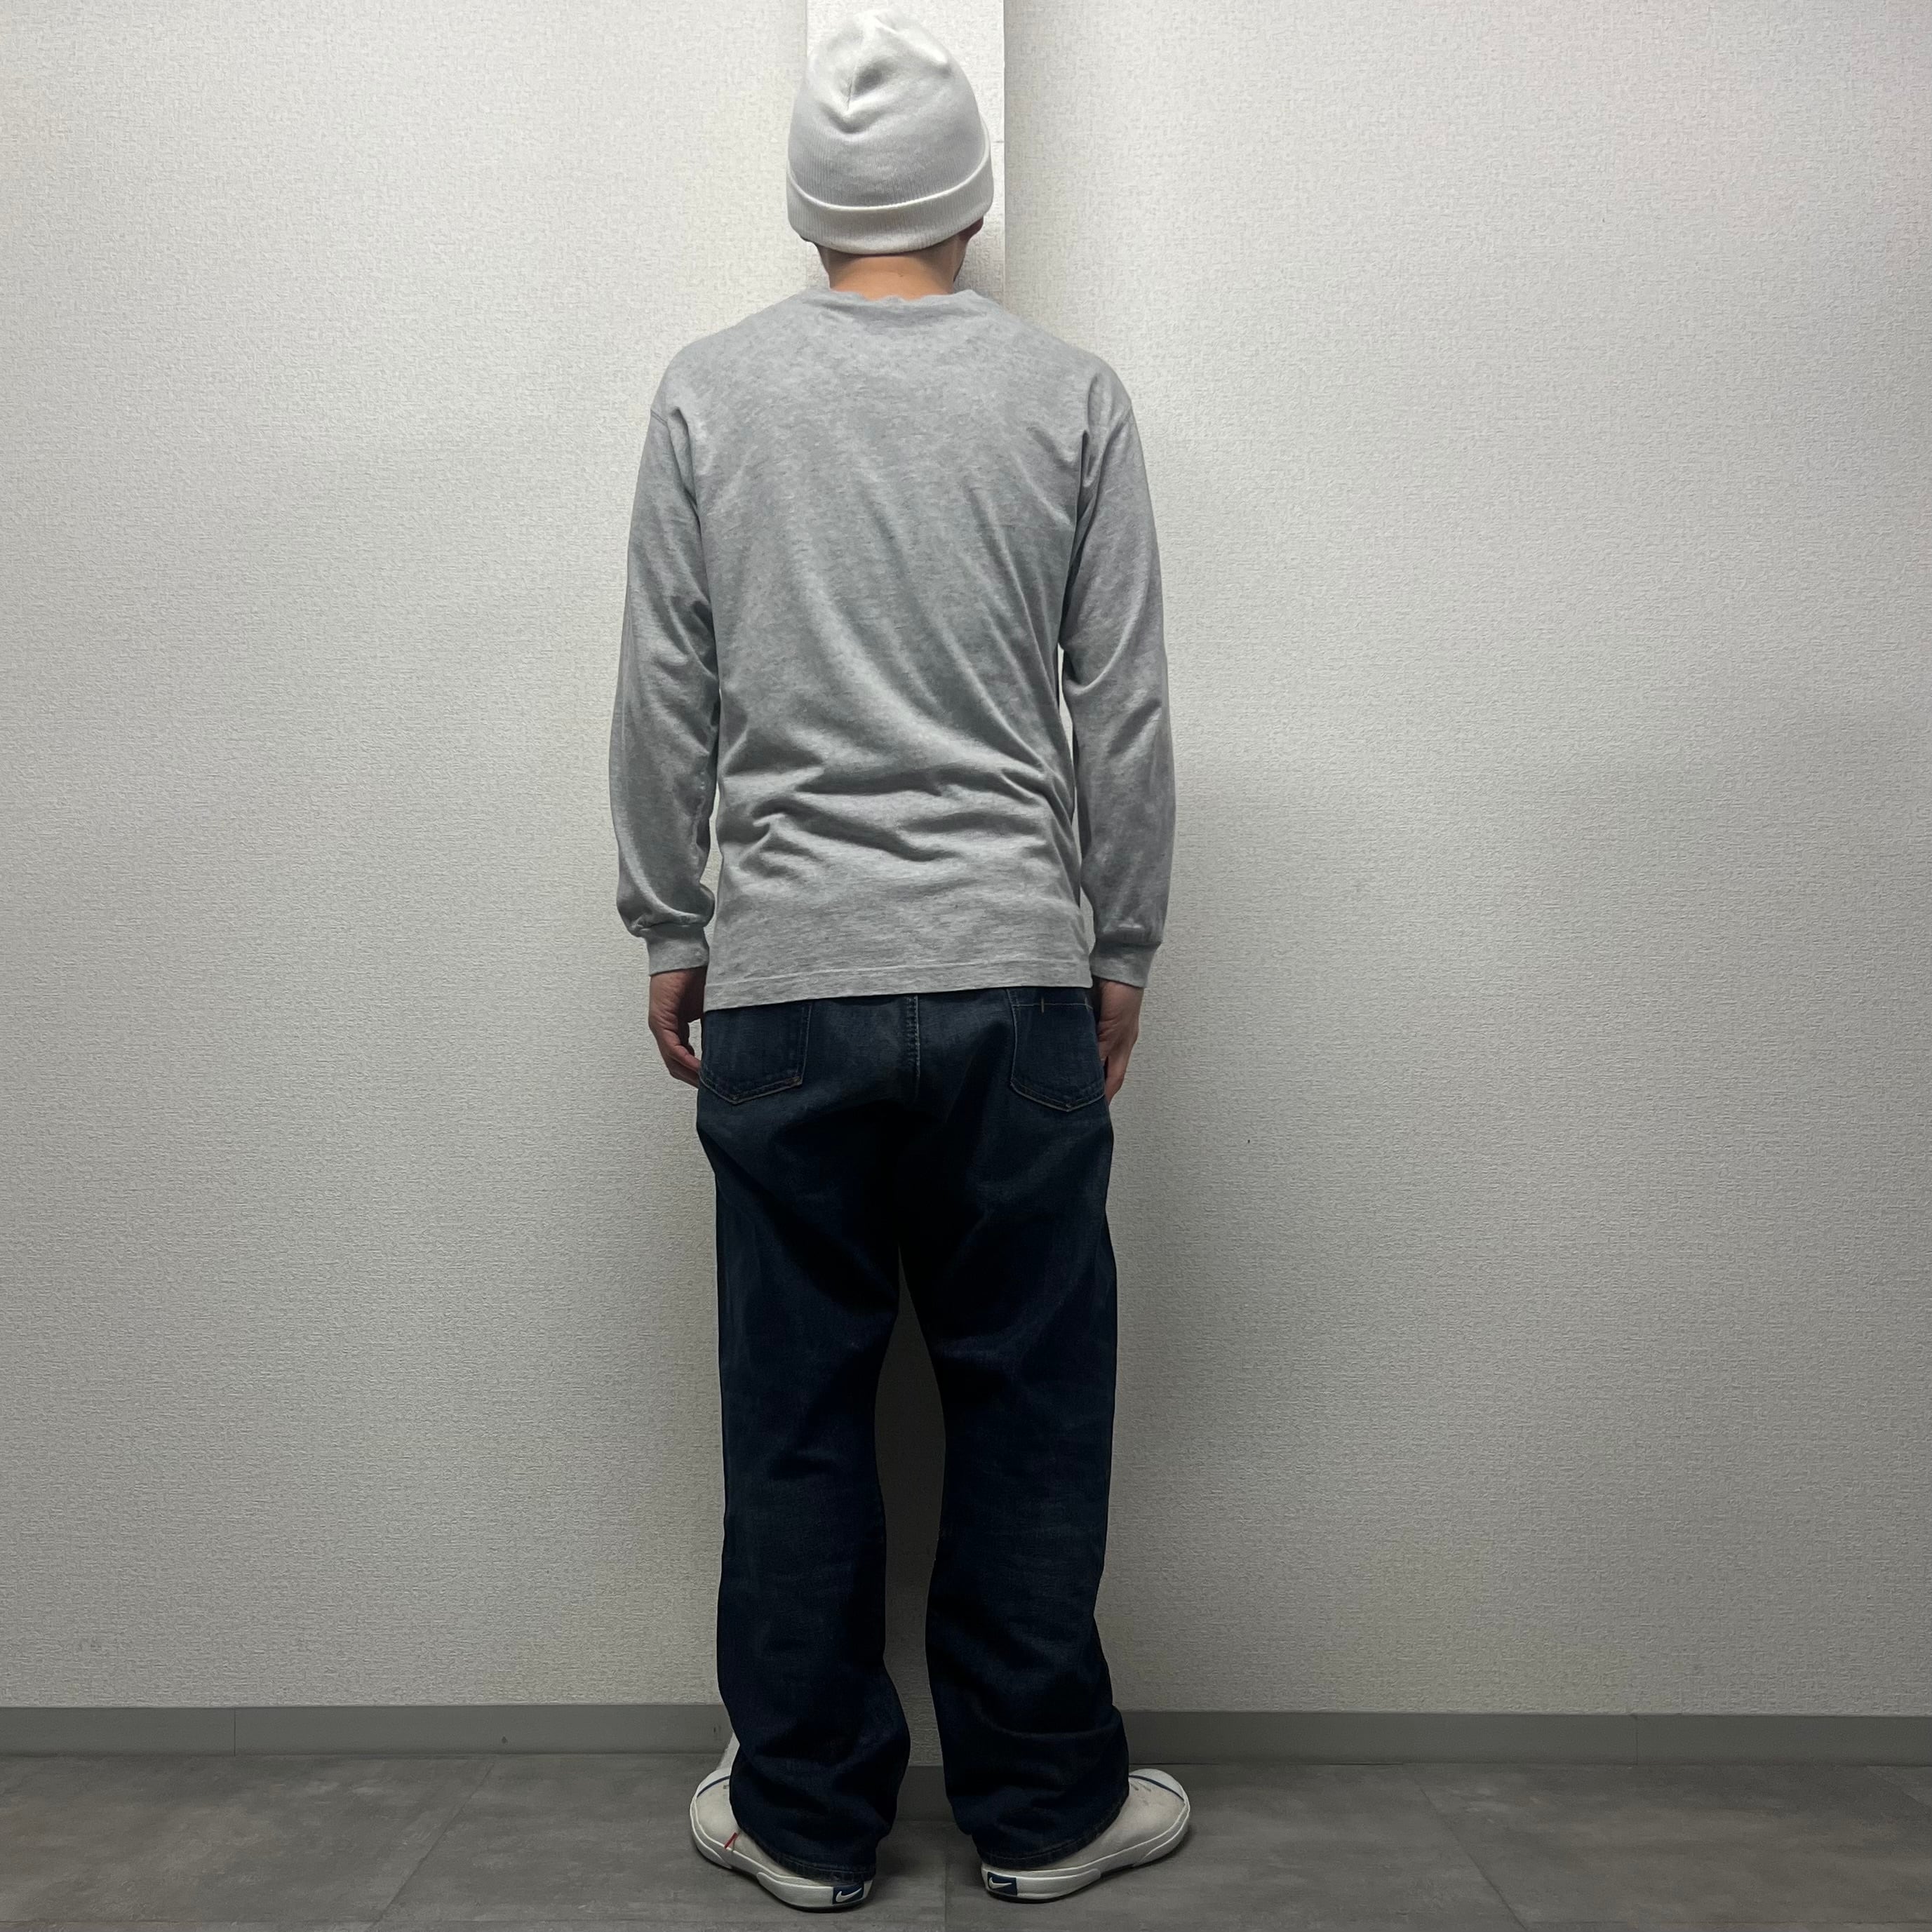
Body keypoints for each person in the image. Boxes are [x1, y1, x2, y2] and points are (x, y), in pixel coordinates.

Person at [608, 7, 1186, 1910]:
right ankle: (1043, 1811)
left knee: (795, 1414)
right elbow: (1122, 711)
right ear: (969, 200)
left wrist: (674, 918)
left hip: (787, 978)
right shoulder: (1069, 396)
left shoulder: (709, 393)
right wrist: (1117, 943)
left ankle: (802, 1819)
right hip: (1014, 970)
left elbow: (666, 692)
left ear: (808, 204)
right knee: (1028, 1401)